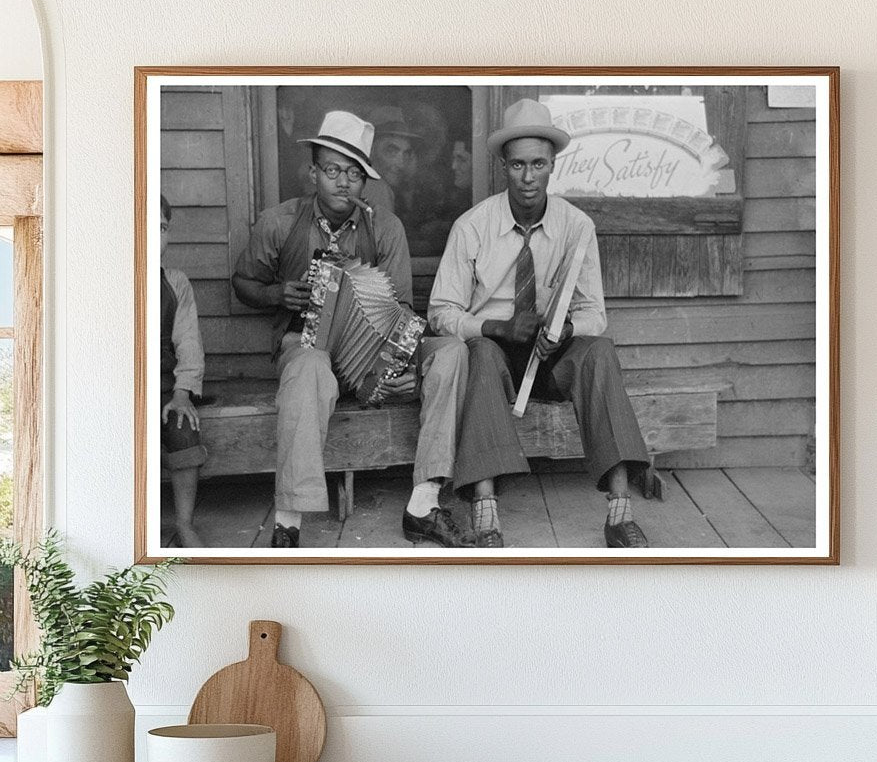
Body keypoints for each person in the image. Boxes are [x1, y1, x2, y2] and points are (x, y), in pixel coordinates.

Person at [232, 110, 471, 549]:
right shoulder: (279, 221)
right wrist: (276, 295)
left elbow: (400, 307)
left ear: (365, 181)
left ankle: (424, 502)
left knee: (452, 350)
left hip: (371, 355)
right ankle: (288, 520)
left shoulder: (386, 227)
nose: (343, 182)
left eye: (354, 174)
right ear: (313, 173)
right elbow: (243, 283)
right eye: (332, 170)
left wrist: (398, 367)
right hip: (309, 347)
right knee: (307, 365)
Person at [428, 99, 650, 549]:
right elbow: (440, 312)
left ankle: (620, 508)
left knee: (600, 350)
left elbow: (594, 313)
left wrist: (566, 331)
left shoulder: (576, 226)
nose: (528, 178)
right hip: (494, 359)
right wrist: (493, 328)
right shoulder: (472, 227)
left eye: (538, 165)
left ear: (552, 165)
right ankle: (486, 509)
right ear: (502, 167)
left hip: (551, 356)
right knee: (485, 355)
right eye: (517, 166)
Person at [159, 194, 207, 548]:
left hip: (165, 386)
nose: (157, 236)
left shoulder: (174, 283)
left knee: (183, 430)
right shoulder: (107, 278)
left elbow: (188, 342)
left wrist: (181, 393)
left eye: (163, 228)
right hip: (120, 385)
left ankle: (184, 523)